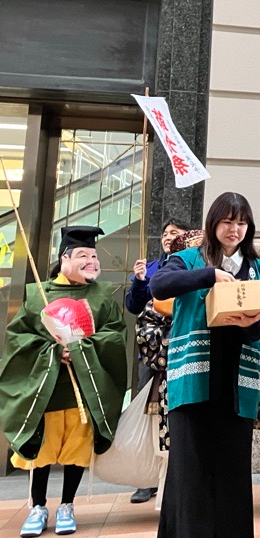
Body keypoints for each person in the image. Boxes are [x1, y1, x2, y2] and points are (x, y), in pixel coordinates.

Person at [150, 192, 260, 538]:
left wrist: (247, 324)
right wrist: (210, 276)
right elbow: (158, 285)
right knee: (189, 475)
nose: (234, 229)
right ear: (213, 223)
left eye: (241, 222)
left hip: (237, 389)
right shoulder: (189, 260)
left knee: (233, 476)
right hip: (193, 386)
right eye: (227, 221)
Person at [0, 226, 127, 538]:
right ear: (64, 258)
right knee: (42, 449)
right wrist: (54, 351)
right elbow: (19, 339)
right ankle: (38, 506)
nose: (90, 261)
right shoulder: (36, 294)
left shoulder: (102, 296)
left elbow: (115, 335)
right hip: (47, 388)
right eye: (82, 255)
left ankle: (67, 504)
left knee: (77, 447)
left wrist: (81, 349)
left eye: (94, 256)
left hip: (85, 389)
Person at [125, 217, 189, 505]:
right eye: (165, 233)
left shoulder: (193, 265)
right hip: (153, 355)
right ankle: (146, 480)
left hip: (186, 351)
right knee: (149, 415)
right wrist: (140, 282)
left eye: (175, 233)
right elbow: (134, 307)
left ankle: (176, 476)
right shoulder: (150, 268)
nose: (168, 237)